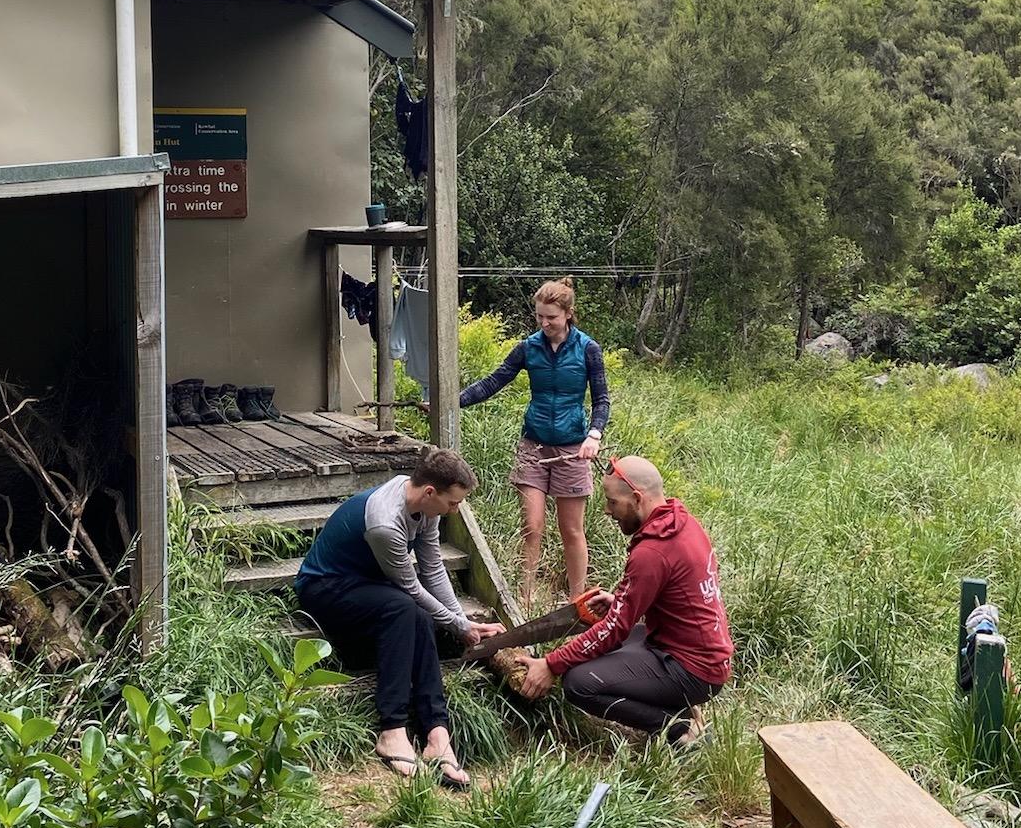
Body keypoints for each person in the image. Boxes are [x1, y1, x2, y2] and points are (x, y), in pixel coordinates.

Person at [295, 447, 504, 787]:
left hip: (371, 582)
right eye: (453, 503)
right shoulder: (385, 522)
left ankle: (437, 733)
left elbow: (432, 568)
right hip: (325, 588)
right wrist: (459, 626)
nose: (456, 510)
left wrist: (460, 619)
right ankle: (391, 731)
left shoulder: (425, 505)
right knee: (405, 608)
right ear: (430, 492)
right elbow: (411, 588)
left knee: (419, 617)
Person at [515, 455, 732, 739]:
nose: (607, 510)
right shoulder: (684, 524)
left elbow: (615, 628)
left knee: (579, 683)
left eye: (612, 502)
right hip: (691, 649)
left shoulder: (652, 552)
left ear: (637, 498)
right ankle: (679, 703)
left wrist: (551, 664)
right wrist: (620, 603)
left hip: (694, 669)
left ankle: (681, 728)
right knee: (599, 646)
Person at [458, 278, 609, 610]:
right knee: (531, 526)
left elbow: (602, 400)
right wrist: (453, 401)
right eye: (539, 316)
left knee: (571, 530)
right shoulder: (529, 347)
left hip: (572, 450)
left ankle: (576, 602)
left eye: (551, 317)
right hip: (533, 448)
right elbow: (494, 381)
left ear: (568, 314)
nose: (544, 323)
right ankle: (524, 601)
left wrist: (594, 435)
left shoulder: (587, 349)